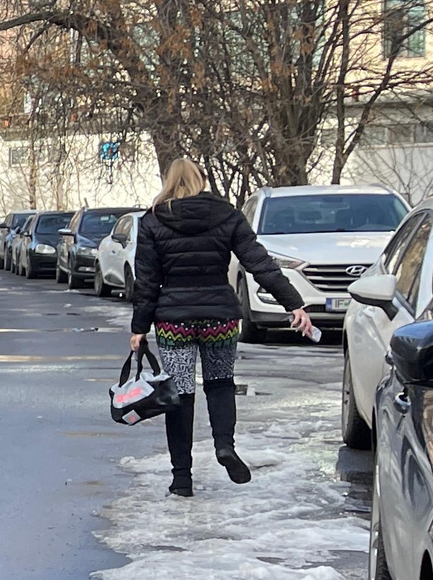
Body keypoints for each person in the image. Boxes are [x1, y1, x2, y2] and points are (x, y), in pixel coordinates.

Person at [129, 158, 314, 497]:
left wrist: (139, 328)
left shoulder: (153, 221)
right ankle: (224, 445)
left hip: (174, 321)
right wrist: (293, 303)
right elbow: (259, 263)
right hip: (220, 318)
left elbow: (147, 281)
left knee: (180, 393)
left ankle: (182, 479)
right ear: (201, 180)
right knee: (220, 384)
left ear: (169, 182)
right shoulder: (227, 214)